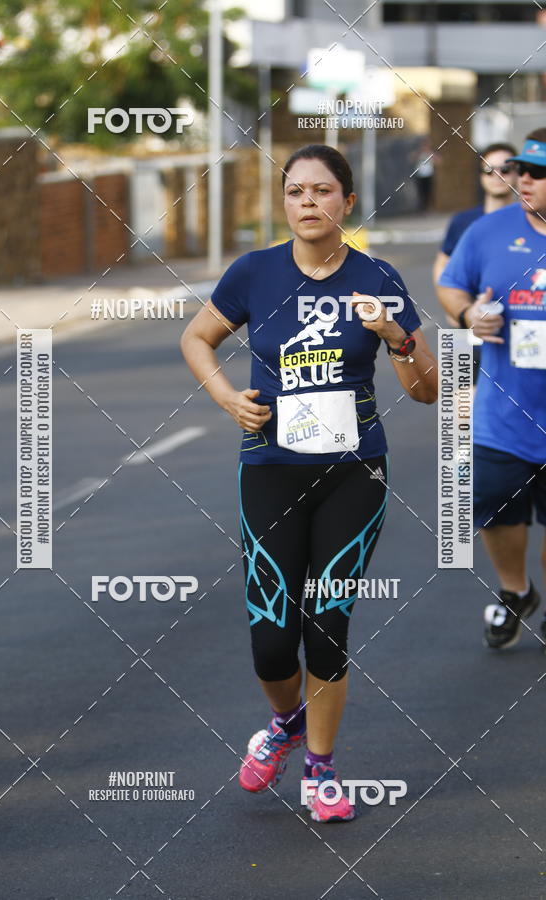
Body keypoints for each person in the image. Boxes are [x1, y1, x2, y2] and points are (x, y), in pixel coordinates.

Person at [181, 145, 438, 823]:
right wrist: (226, 399)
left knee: (327, 624)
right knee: (271, 635)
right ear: (284, 202)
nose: (308, 203)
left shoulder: (376, 276)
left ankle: (320, 769)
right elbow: (196, 338)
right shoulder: (254, 273)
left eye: (322, 191)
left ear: (347, 203)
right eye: (296, 192)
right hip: (268, 467)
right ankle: (286, 723)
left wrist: (396, 336)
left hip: (355, 473)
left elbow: (427, 392)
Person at [437, 128, 546, 653]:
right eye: (521, 169)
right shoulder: (487, 231)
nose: (524, 178)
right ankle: (516, 589)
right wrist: (466, 314)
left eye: (538, 173)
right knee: (496, 504)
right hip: (502, 409)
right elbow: (450, 282)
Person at [433, 143, 518, 385]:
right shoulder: (463, 222)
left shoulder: (532, 221)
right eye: (489, 170)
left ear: (518, 172)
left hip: (515, 330)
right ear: (480, 177)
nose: (497, 176)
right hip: (465, 328)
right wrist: (457, 311)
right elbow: (442, 266)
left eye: (506, 168)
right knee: (457, 415)